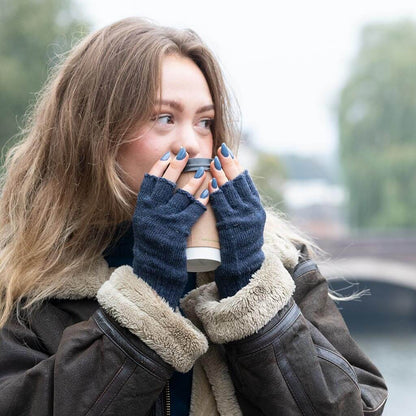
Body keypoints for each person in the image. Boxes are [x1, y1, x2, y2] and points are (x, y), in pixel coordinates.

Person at [0, 17, 387, 416]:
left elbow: (356, 407)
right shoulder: (27, 280)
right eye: (165, 118)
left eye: (204, 122)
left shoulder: (280, 263)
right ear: (95, 134)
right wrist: (147, 299)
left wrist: (251, 291)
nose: (191, 142)